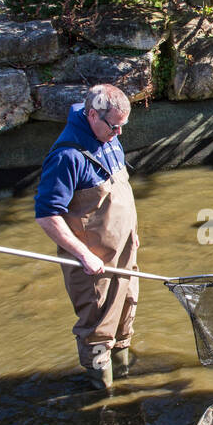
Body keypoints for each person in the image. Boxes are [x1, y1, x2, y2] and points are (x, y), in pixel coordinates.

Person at [34, 84, 138, 389]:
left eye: (123, 126)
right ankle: (101, 398)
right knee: (97, 331)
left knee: (125, 315)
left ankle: (126, 384)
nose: (119, 134)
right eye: (115, 126)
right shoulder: (66, 157)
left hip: (124, 255)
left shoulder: (108, 136)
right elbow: (47, 215)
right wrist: (83, 255)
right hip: (95, 266)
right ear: (92, 115)